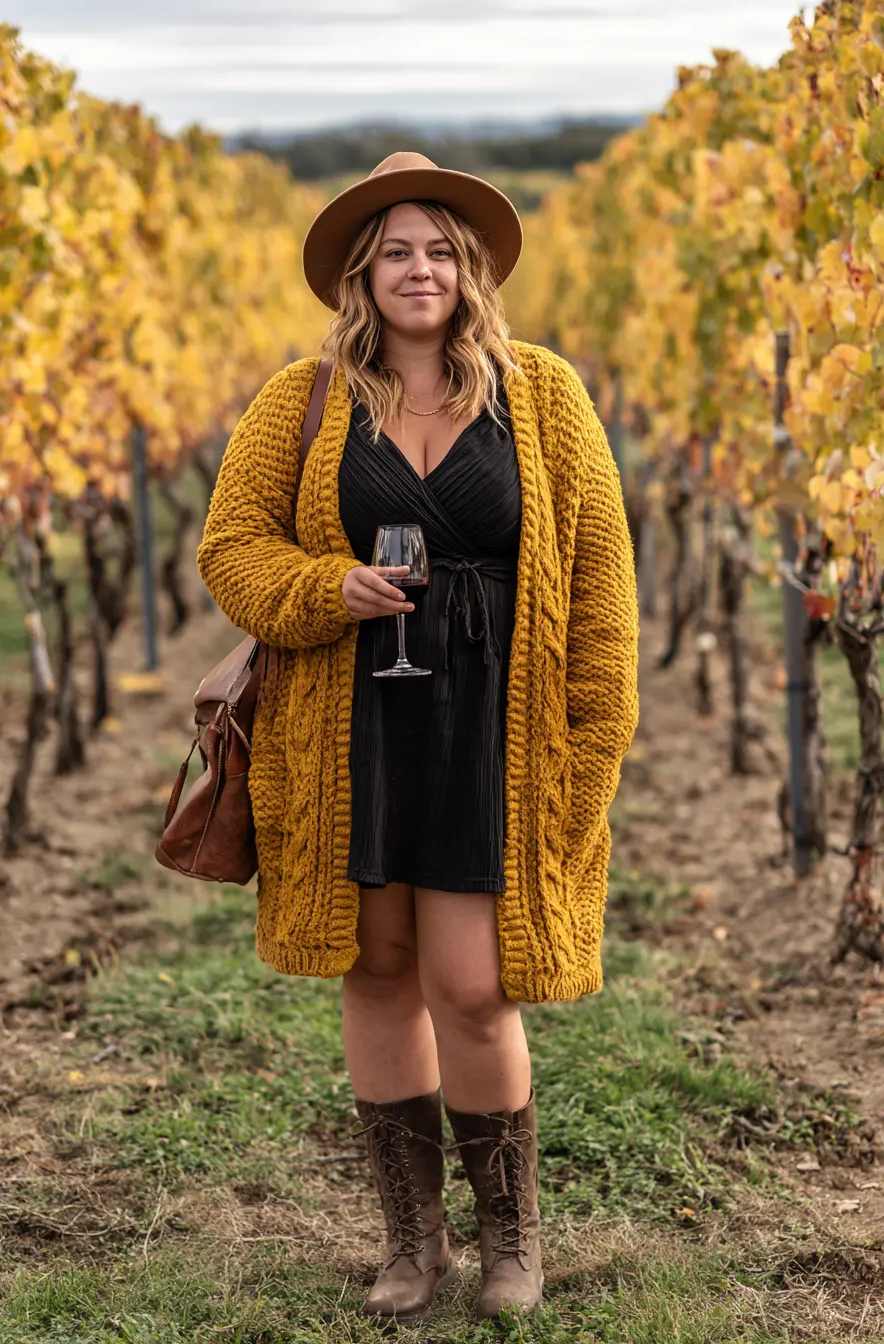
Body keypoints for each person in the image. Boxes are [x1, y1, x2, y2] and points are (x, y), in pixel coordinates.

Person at [197, 151, 640, 1324]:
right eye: (393, 250)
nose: (418, 268)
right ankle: (411, 1243)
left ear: (471, 266)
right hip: (353, 723)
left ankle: (512, 1242)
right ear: (360, 272)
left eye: (438, 248)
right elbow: (230, 547)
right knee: (379, 970)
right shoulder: (300, 399)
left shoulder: (540, 394)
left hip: (498, 728)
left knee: (474, 985)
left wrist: (590, 750)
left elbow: (599, 586)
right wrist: (320, 590)